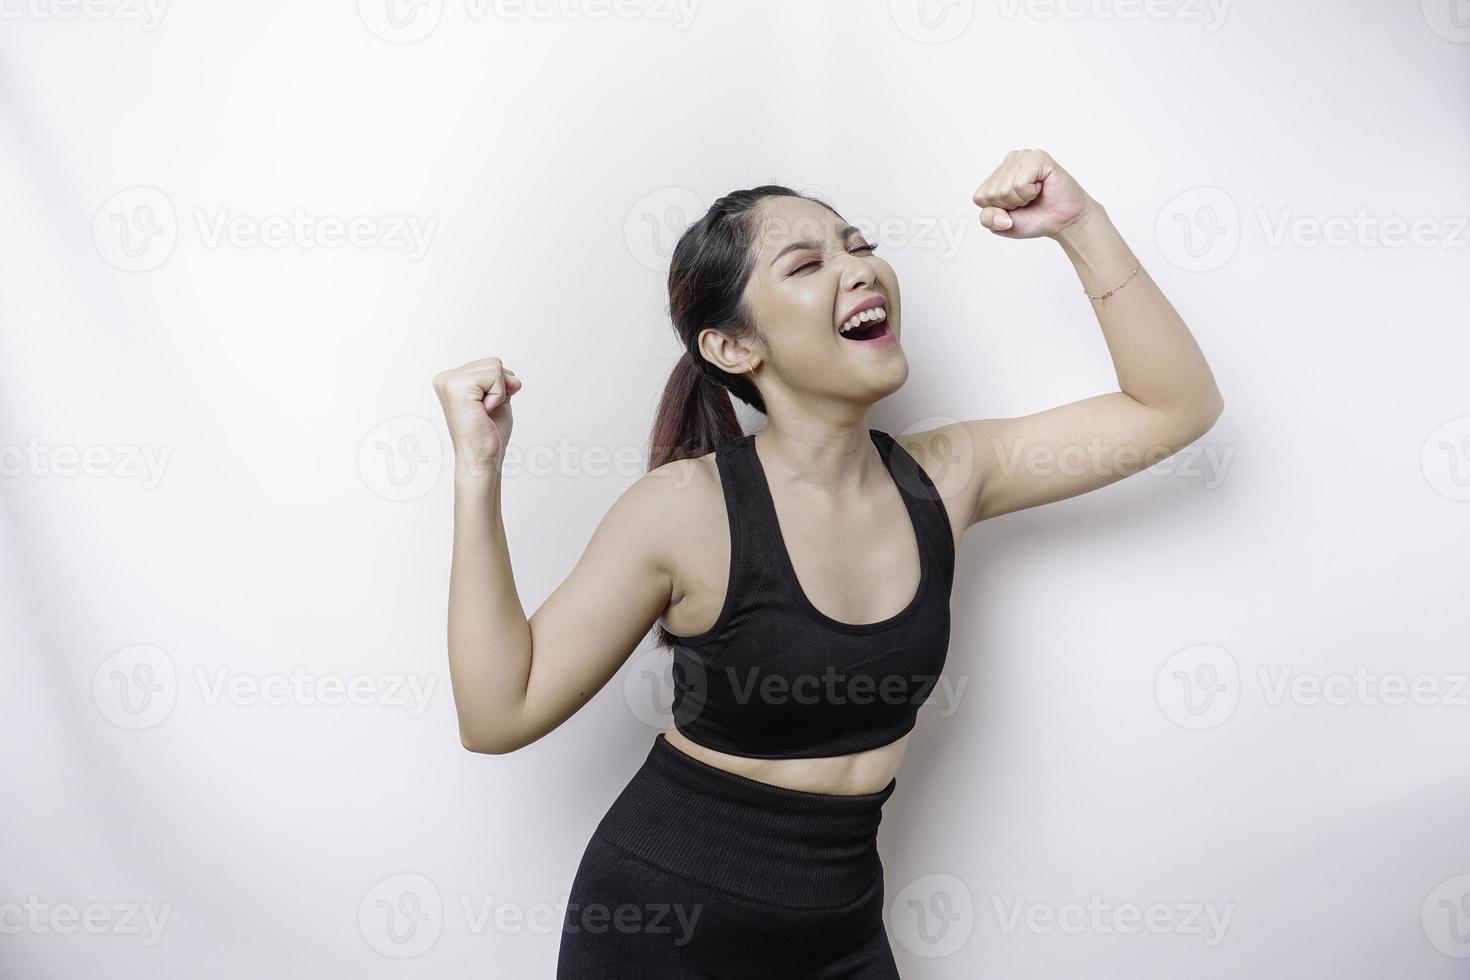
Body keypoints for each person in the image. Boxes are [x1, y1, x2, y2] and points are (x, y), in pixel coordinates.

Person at [430, 148, 1225, 978]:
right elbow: (499, 713)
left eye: (858, 244)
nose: (860, 269)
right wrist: (477, 471)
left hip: (841, 932)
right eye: (808, 263)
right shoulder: (686, 509)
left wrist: (1079, 224)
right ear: (733, 348)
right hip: (667, 928)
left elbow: (1172, 407)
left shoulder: (946, 478)